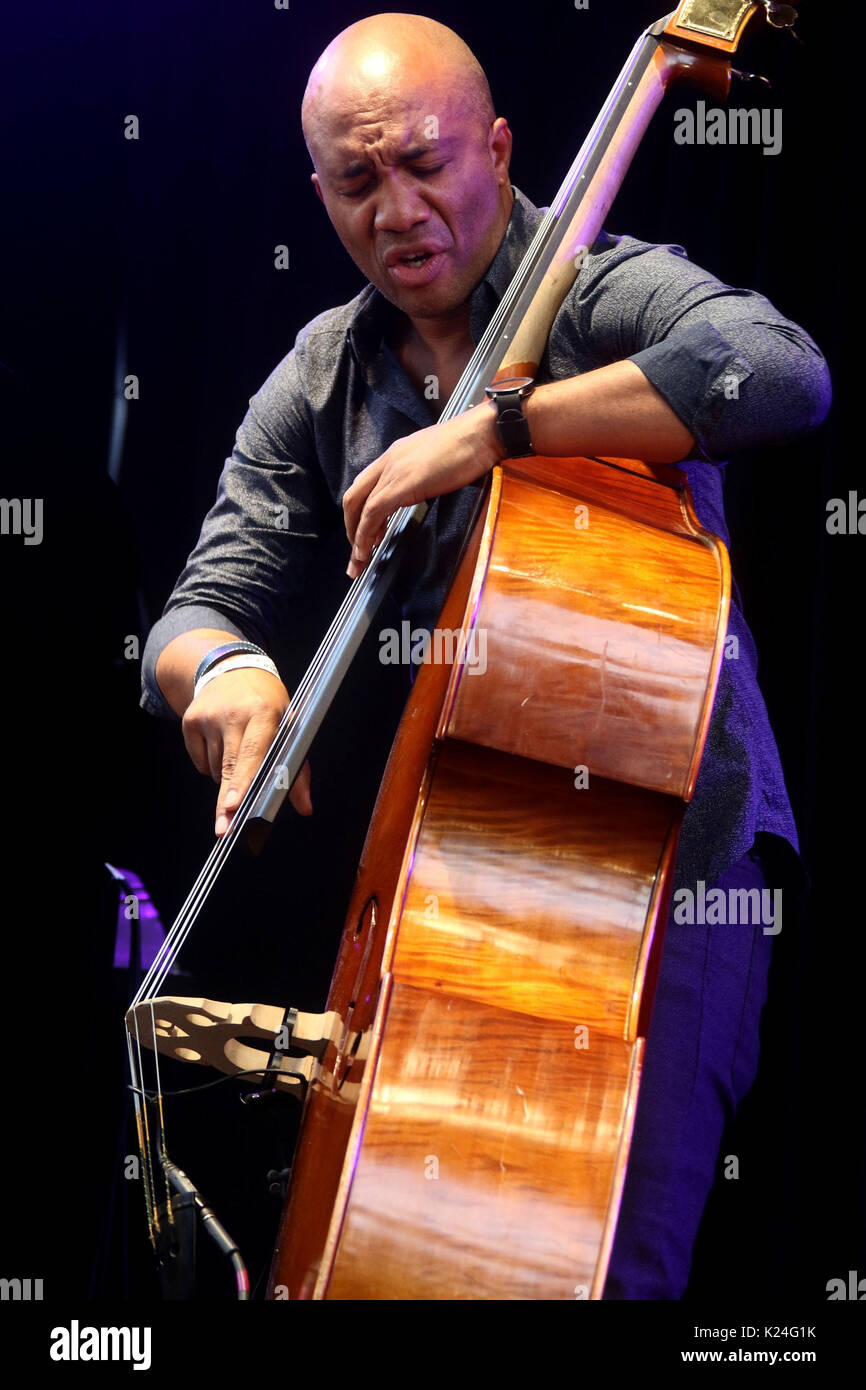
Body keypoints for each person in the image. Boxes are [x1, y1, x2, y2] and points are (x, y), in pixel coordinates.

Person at [140, 13, 831, 1298]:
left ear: (498, 149)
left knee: (602, 1270)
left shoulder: (594, 286)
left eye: (425, 164)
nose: (397, 210)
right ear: (319, 195)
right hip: (451, 898)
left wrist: (500, 429)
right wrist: (226, 670)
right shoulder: (325, 375)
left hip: (660, 883)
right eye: (357, 182)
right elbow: (197, 607)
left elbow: (778, 371)